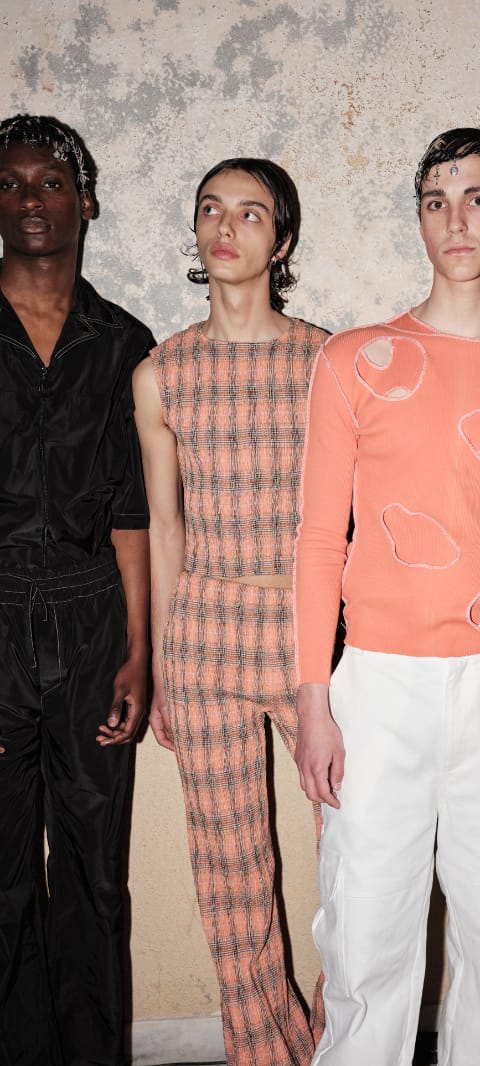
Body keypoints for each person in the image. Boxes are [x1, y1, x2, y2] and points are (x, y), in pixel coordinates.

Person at [294, 128, 480, 1066]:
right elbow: (319, 540)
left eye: (478, 198)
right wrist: (314, 700)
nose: (455, 220)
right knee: (365, 934)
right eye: (436, 201)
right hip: (379, 686)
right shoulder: (354, 359)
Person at [133, 157, 328, 1066]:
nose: (226, 225)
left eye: (251, 213)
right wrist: (164, 669)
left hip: (309, 636)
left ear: (281, 240)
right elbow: (165, 526)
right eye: (212, 208)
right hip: (204, 637)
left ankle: (341, 1038)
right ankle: (264, 1052)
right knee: (230, 875)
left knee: (360, 852)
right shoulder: (161, 373)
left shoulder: (325, 359)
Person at [0, 114, 154, 1066]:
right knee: (5, 878)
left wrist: (140, 651)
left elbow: (133, 511)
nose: (30, 200)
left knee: (96, 872)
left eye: (50, 183)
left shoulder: (125, 342)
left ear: (84, 202)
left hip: (95, 623)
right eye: (10, 183)